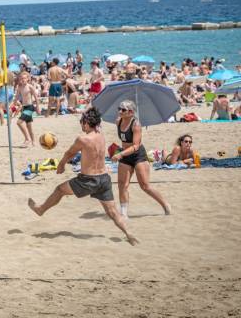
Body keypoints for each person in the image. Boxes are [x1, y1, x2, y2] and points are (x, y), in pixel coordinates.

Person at [27, 108, 138, 246]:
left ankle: (40, 209)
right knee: (113, 212)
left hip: (87, 180)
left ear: (86, 123)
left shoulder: (83, 139)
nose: (81, 125)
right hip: (104, 179)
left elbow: (69, 153)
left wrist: (61, 165)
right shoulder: (100, 135)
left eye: (82, 122)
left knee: (60, 190)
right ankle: (128, 233)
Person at [112, 100, 170, 218]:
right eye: (119, 108)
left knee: (145, 186)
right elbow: (123, 140)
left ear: (131, 112)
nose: (120, 111)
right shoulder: (118, 121)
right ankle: (124, 213)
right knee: (122, 185)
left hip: (138, 155)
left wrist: (120, 154)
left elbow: (136, 146)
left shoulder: (136, 124)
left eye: (123, 110)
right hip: (125, 155)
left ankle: (165, 204)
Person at [12, 72, 40, 146]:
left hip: (30, 107)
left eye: (24, 78)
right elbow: (16, 97)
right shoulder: (19, 87)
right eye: (21, 78)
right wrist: (13, 105)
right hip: (24, 107)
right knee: (29, 126)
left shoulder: (30, 86)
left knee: (19, 122)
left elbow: (36, 98)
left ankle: (27, 139)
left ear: (27, 79)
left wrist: (37, 107)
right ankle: (33, 141)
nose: (23, 79)